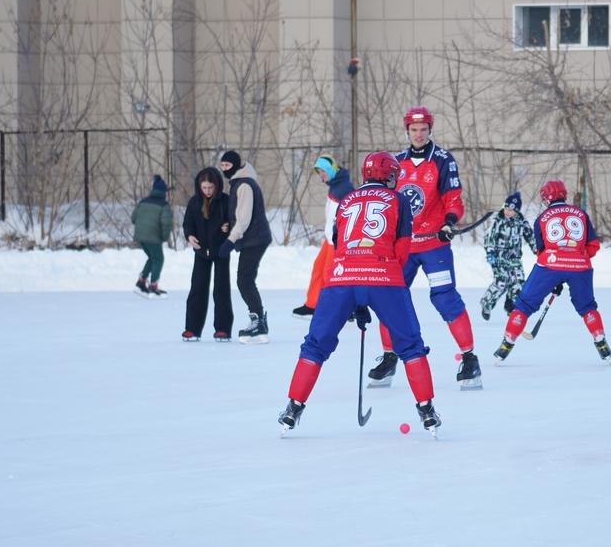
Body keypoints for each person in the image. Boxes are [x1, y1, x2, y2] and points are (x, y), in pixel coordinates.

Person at [279, 151, 441, 435]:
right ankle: (427, 410)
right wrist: (376, 288)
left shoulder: (347, 200)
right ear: (389, 175)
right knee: (410, 344)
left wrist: (357, 296)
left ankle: (293, 407)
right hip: (384, 277)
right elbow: (402, 250)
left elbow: (339, 244)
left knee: (315, 345)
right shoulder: (399, 200)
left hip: (341, 279)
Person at [368, 106, 482, 390]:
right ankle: (389, 357)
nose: (418, 135)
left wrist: (449, 222)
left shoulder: (443, 160)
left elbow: (454, 199)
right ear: (407, 131)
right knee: (389, 297)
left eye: (423, 130)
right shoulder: (396, 162)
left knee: (444, 297)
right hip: (403, 246)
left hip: (433, 244)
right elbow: (386, 201)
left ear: (430, 130)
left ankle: (469, 359)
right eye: (413, 130)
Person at [492, 180, 611, 364]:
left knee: (524, 305)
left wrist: (556, 275)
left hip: (550, 264)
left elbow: (541, 251)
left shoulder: (542, 218)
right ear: (564, 195)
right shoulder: (581, 214)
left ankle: (506, 344)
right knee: (587, 306)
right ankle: (600, 341)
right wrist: (574, 259)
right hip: (580, 266)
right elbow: (593, 246)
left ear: (547, 198)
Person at [217, 150, 274, 344]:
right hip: (253, 238)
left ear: (235, 165)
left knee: (244, 280)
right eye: (222, 166)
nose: (224, 169)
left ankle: (258, 321)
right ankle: (258, 319)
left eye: (227, 166)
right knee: (245, 279)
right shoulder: (239, 182)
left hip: (255, 239)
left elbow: (244, 219)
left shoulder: (244, 185)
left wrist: (230, 241)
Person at [293, 154, 354, 319]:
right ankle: (312, 304)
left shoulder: (344, 187)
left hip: (338, 240)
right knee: (319, 268)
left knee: (331, 274)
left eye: (322, 172)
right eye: (319, 172)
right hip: (329, 239)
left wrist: (339, 238)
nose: (321, 175)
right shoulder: (335, 185)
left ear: (330, 170)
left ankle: (344, 309)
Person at [181, 167, 233, 342]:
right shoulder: (195, 202)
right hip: (201, 251)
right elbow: (187, 223)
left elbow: (234, 221)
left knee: (221, 289)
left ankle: (223, 329)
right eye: (204, 188)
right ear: (199, 186)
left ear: (217, 186)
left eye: (211, 188)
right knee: (197, 288)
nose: (208, 191)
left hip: (221, 251)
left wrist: (228, 227)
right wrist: (189, 236)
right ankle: (191, 328)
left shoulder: (226, 201)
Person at [480, 191, 535, 320]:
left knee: (519, 282)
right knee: (502, 281)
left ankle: (512, 307)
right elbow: (489, 237)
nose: (507, 212)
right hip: (499, 258)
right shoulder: (497, 220)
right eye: (506, 208)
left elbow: (530, 236)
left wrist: (538, 250)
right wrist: (490, 253)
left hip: (515, 259)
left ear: (516, 211)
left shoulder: (521, 221)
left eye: (511, 210)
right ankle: (487, 303)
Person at [131, 174, 173, 297]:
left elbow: (133, 218)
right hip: (153, 238)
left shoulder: (143, 202)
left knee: (152, 258)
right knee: (159, 259)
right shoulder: (163, 205)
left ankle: (141, 281)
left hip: (140, 237)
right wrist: (164, 237)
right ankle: (153, 285)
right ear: (163, 192)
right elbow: (166, 223)